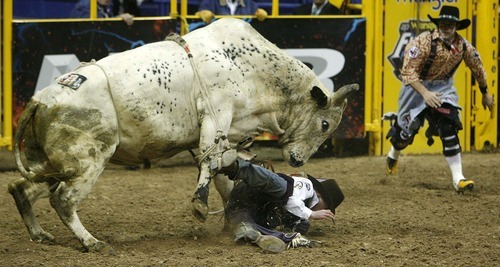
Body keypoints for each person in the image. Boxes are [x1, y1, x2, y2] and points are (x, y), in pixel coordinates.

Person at [384, 5, 495, 193]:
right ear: (438, 25)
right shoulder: (422, 42)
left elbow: (478, 67)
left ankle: (458, 179)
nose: (446, 27)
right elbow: (408, 72)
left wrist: (485, 93)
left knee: (448, 124)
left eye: (450, 24)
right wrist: (425, 94)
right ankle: (394, 153)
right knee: (407, 130)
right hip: (416, 88)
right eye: (443, 24)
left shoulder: (463, 47)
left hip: (443, 88)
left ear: (456, 27)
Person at [218, 159, 344, 253]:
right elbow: (291, 200)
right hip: (249, 193)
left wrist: (300, 224)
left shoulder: (301, 215)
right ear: (319, 196)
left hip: (240, 208)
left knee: (243, 226)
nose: (323, 211)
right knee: (282, 187)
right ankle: (237, 168)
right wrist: (311, 214)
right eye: (325, 206)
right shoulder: (307, 187)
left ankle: (250, 231)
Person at [196, 0, 268, 24]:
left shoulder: (250, 4)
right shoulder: (210, 1)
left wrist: (261, 14)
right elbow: (196, 18)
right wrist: (201, 14)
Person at [70, 0, 135, 26]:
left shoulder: (108, 5)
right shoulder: (85, 6)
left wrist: (121, 18)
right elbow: (96, 28)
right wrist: (118, 19)